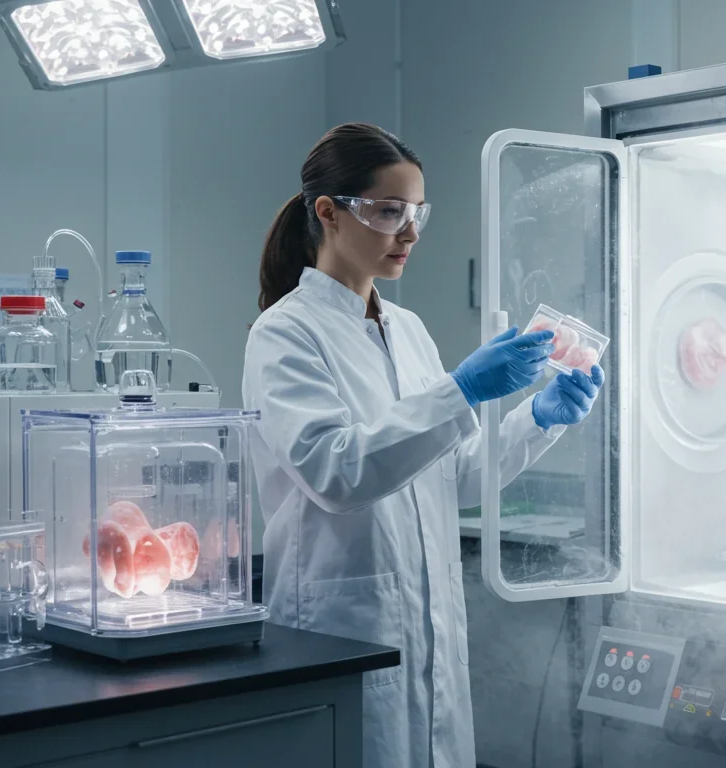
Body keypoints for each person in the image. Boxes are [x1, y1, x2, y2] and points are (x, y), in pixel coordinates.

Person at [241, 123, 606, 768]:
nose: (408, 233)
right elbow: (336, 472)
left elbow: (452, 478)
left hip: (427, 631)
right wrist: (462, 390)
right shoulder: (284, 334)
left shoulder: (407, 330)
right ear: (328, 212)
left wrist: (538, 419)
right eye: (388, 212)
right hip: (341, 625)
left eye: (416, 213)